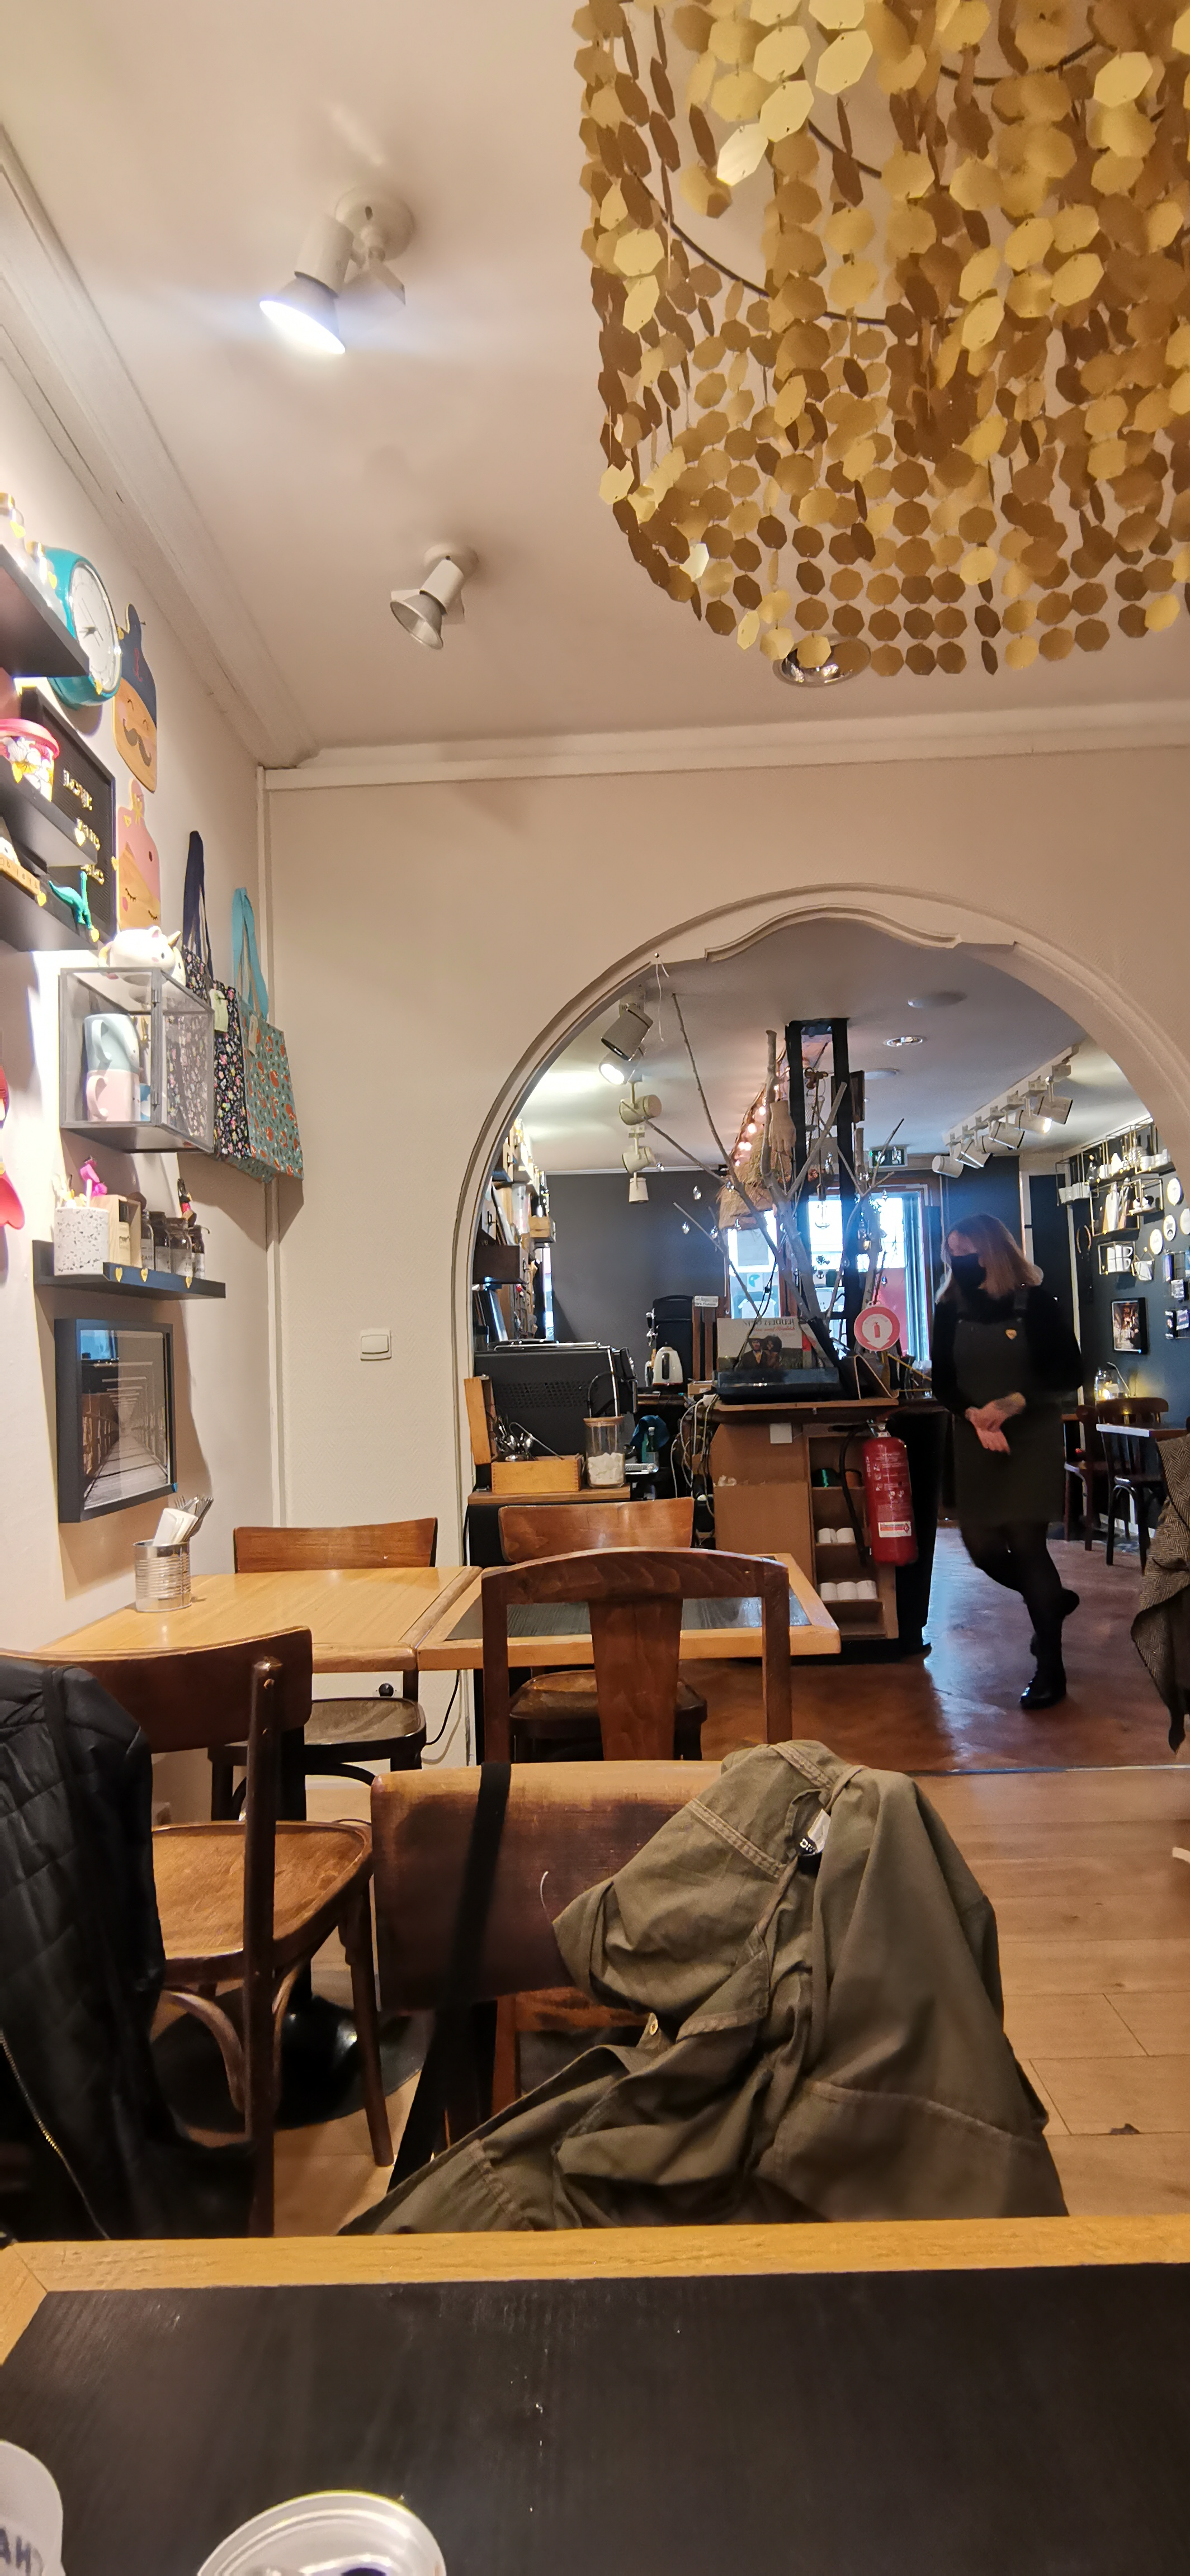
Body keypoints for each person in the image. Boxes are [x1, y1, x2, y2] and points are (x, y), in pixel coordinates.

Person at [931, 1212, 1083, 1710]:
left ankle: (1051, 1670)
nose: (958, 1260)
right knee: (982, 1547)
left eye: (966, 1252)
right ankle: (1051, 1603)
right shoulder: (948, 1307)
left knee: (1028, 1545)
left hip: (1030, 1438)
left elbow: (1069, 1372)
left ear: (991, 1251)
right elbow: (943, 1382)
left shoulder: (1035, 1302)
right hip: (975, 1438)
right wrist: (974, 1415)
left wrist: (1012, 1403)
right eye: (952, 1253)